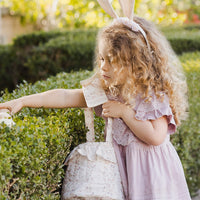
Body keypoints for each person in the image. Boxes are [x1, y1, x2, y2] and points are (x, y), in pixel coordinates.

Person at [0, 16, 191, 200]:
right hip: (128, 174)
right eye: (101, 59)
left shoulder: (151, 95)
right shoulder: (110, 92)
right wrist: (24, 100)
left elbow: (156, 137)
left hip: (155, 176)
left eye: (111, 61)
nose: (103, 67)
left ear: (135, 65)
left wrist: (125, 112)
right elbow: (67, 96)